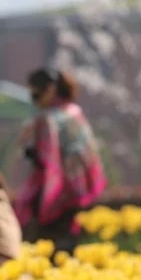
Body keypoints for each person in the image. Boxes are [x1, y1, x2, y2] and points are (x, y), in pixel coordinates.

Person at [15, 67, 106, 256]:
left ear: (49, 89)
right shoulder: (74, 111)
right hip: (78, 187)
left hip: (54, 191)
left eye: (35, 91)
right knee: (68, 238)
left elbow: (45, 159)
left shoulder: (48, 119)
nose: (33, 97)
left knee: (47, 243)